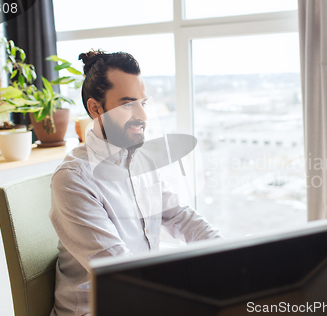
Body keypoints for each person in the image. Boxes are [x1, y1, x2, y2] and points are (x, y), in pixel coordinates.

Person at [49, 50, 222, 316]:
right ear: (96, 108)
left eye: (143, 102)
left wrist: (229, 255)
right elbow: (119, 271)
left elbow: (181, 218)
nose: (142, 115)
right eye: (128, 104)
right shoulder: (73, 179)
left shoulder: (142, 160)